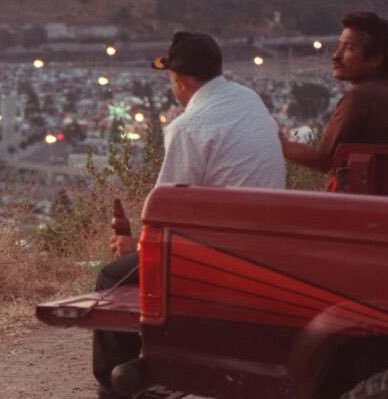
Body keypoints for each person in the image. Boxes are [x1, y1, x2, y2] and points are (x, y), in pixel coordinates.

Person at [93, 32, 287, 399]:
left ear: (179, 80)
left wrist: (136, 245)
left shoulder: (188, 127)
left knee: (111, 277)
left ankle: (113, 386)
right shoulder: (248, 100)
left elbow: (165, 212)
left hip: (224, 253)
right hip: (264, 240)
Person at [280, 12, 388, 188]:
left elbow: (323, 159)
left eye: (349, 48)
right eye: (339, 46)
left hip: (362, 208)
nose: (335, 56)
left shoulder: (360, 98)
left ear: (375, 59)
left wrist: (278, 142)